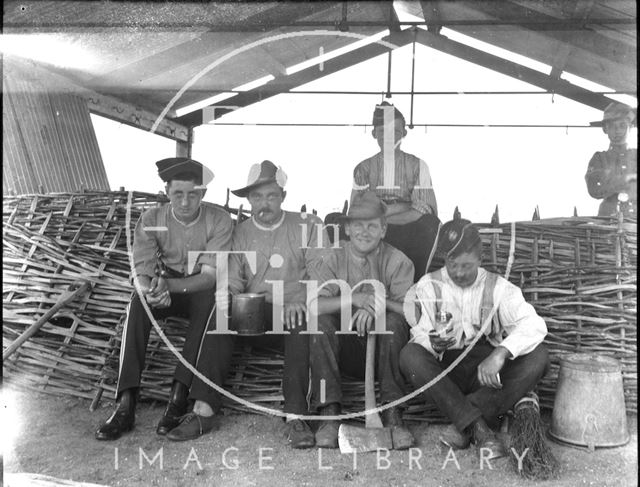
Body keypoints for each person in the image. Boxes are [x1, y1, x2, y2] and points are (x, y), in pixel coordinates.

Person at [168, 160, 329, 448]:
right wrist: (231, 301)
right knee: (221, 312)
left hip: (295, 311)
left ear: (283, 197)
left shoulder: (309, 226)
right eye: (256, 197)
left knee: (302, 321)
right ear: (248, 200)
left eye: (271, 196)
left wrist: (301, 299)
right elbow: (232, 279)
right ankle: (203, 410)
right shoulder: (241, 232)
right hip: (255, 314)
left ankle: (296, 417)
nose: (263, 203)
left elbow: (322, 271)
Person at [95, 157, 233, 441]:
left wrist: (169, 286)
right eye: (178, 194)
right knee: (137, 302)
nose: (185, 202)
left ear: (203, 193)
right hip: (162, 285)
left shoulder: (219, 220)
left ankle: (177, 398)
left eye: (193, 194)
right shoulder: (151, 219)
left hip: (196, 288)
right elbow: (141, 270)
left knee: (209, 303)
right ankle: (125, 404)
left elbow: (209, 276)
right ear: (167, 191)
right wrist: (150, 292)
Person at [399, 219, 549, 459]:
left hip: (487, 376)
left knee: (539, 357)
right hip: (447, 374)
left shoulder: (498, 287)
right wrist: (431, 343)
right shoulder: (429, 285)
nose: (458, 273)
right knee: (410, 356)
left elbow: (534, 324)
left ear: (480, 259)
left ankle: (464, 420)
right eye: (452, 264)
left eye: (467, 265)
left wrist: (500, 353)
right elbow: (419, 334)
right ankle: (479, 429)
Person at [308, 191, 415, 449]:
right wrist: (355, 299)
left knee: (394, 323)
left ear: (383, 229)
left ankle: (391, 413)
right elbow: (314, 305)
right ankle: (329, 414)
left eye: (372, 225)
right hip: (344, 352)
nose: (364, 232)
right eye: (358, 225)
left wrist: (377, 301)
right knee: (320, 324)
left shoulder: (399, 261)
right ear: (347, 228)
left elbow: (412, 313)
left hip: (385, 355)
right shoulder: (332, 258)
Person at [351, 101, 440, 280]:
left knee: (429, 223)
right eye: (383, 131)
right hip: (373, 226)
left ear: (405, 133)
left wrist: (382, 217)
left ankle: (414, 283)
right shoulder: (363, 168)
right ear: (374, 133)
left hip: (406, 227)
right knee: (336, 224)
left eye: (396, 131)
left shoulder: (418, 166)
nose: (390, 137)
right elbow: (356, 211)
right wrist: (404, 205)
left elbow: (423, 211)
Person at [585, 102, 637, 217]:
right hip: (608, 217)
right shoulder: (599, 159)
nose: (617, 131)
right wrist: (624, 181)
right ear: (605, 129)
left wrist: (611, 181)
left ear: (631, 127)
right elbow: (594, 189)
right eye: (612, 126)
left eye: (622, 125)